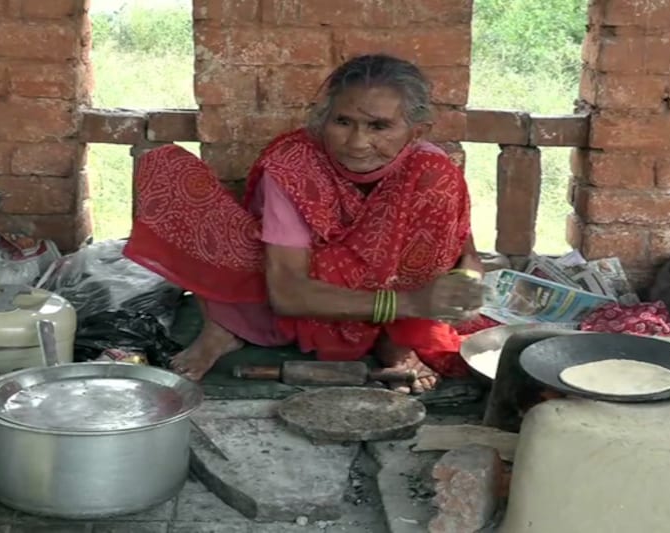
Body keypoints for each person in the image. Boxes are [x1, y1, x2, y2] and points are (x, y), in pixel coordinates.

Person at [124, 54, 486, 393]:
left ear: (415, 132)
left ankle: (396, 339)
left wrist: (466, 283)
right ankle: (226, 327)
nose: (358, 142)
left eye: (379, 126)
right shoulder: (295, 166)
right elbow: (287, 293)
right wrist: (410, 304)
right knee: (176, 182)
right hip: (309, 288)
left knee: (438, 180)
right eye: (343, 122)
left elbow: (463, 251)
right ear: (323, 119)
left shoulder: (430, 169)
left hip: (394, 294)